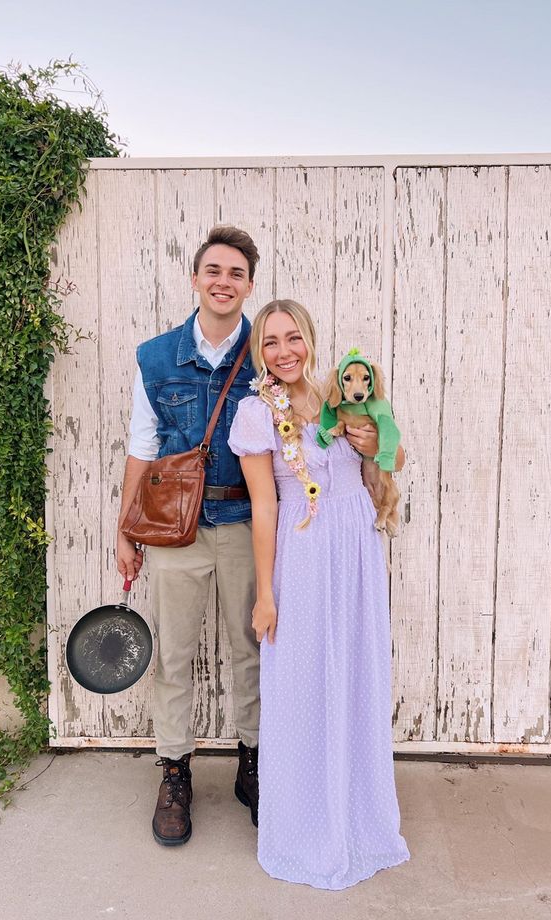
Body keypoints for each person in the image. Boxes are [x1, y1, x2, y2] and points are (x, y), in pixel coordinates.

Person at [228, 299, 410, 889]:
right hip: (302, 554)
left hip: (354, 545)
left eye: (293, 338)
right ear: (259, 351)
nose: (284, 352)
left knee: (355, 674)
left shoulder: (341, 401)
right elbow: (264, 505)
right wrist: (265, 594)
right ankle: (307, 825)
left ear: (310, 339)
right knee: (304, 682)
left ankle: (358, 817)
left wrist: (366, 445)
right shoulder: (258, 412)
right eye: (270, 343)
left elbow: (397, 456)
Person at [116, 225, 262, 846]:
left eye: (235, 274)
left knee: (252, 651)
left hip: (249, 526)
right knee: (173, 656)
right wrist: (126, 529)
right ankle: (174, 768)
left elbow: (307, 426)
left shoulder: (271, 352)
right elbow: (142, 448)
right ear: (195, 278)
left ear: (249, 284)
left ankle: (254, 761)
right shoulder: (155, 357)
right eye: (214, 271)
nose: (223, 282)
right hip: (175, 533)